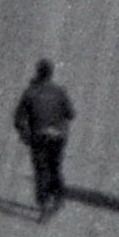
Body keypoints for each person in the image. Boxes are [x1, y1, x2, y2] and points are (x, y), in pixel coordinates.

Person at [12, 58, 73, 217]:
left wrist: (25, 135)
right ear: (51, 74)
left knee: (40, 170)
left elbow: (18, 119)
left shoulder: (29, 92)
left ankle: (43, 204)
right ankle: (58, 196)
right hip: (57, 136)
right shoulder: (60, 92)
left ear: (37, 73)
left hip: (38, 136)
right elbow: (70, 114)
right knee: (55, 167)